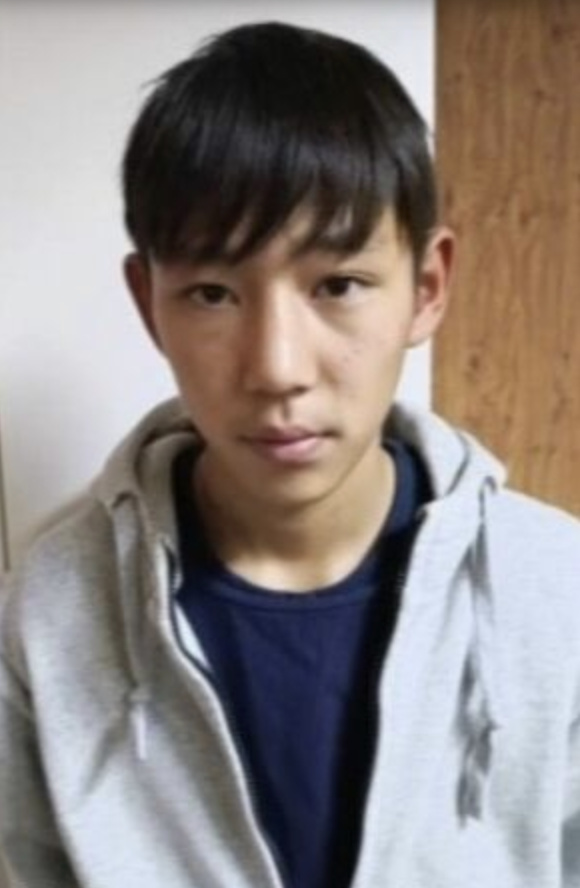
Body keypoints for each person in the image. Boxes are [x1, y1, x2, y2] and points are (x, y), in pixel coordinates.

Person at [1, 20, 580, 888]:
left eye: (338, 285)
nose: (276, 367)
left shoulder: (558, 591)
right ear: (149, 303)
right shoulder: (47, 613)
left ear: (426, 287)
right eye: (212, 293)